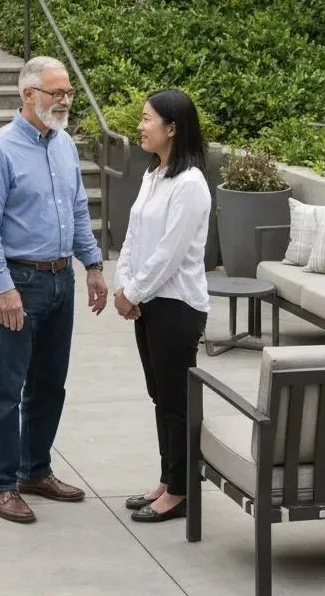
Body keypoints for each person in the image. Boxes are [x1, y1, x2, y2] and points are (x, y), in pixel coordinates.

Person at [0, 55, 109, 524]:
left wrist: (91, 263)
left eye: (68, 92)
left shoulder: (64, 143)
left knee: (50, 384)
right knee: (7, 388)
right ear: (28, 95)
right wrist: (2, 287)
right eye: (57, 93)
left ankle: (36, 470)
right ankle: (1, 484)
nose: (66, 100)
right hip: (19, 283)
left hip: (60, 280)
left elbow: (77, 207)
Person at [113, 89, 211, 523]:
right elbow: (133, 237)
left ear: (172, 128)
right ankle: (168, 480)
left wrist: (132, 293)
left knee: (175, 400)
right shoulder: (154, 175)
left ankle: (182, 489)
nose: (140, 125)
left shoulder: (190, 185)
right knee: (160, 396)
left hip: (176, 307)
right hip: (149, 303)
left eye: (147, 118)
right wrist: (123, 284)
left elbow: (170, 254)